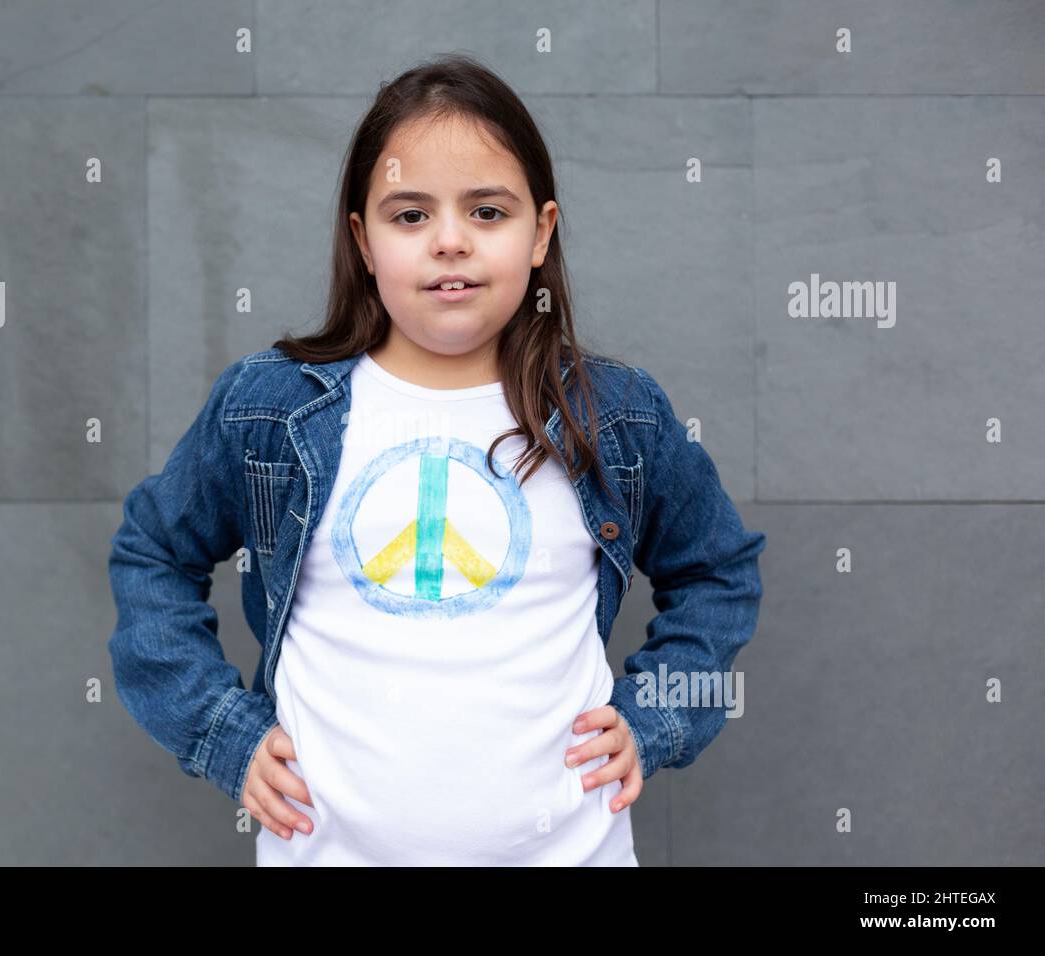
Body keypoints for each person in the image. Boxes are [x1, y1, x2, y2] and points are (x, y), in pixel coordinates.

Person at [108, 53, 766, 866]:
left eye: (488, 212)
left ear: (541, 233)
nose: (449, 242)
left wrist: (657, 715)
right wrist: (221, 732)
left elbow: (718, 571)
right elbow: (152, 553)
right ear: (363, 238)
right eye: (410, 216)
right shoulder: (270, 408)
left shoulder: (614, 413)